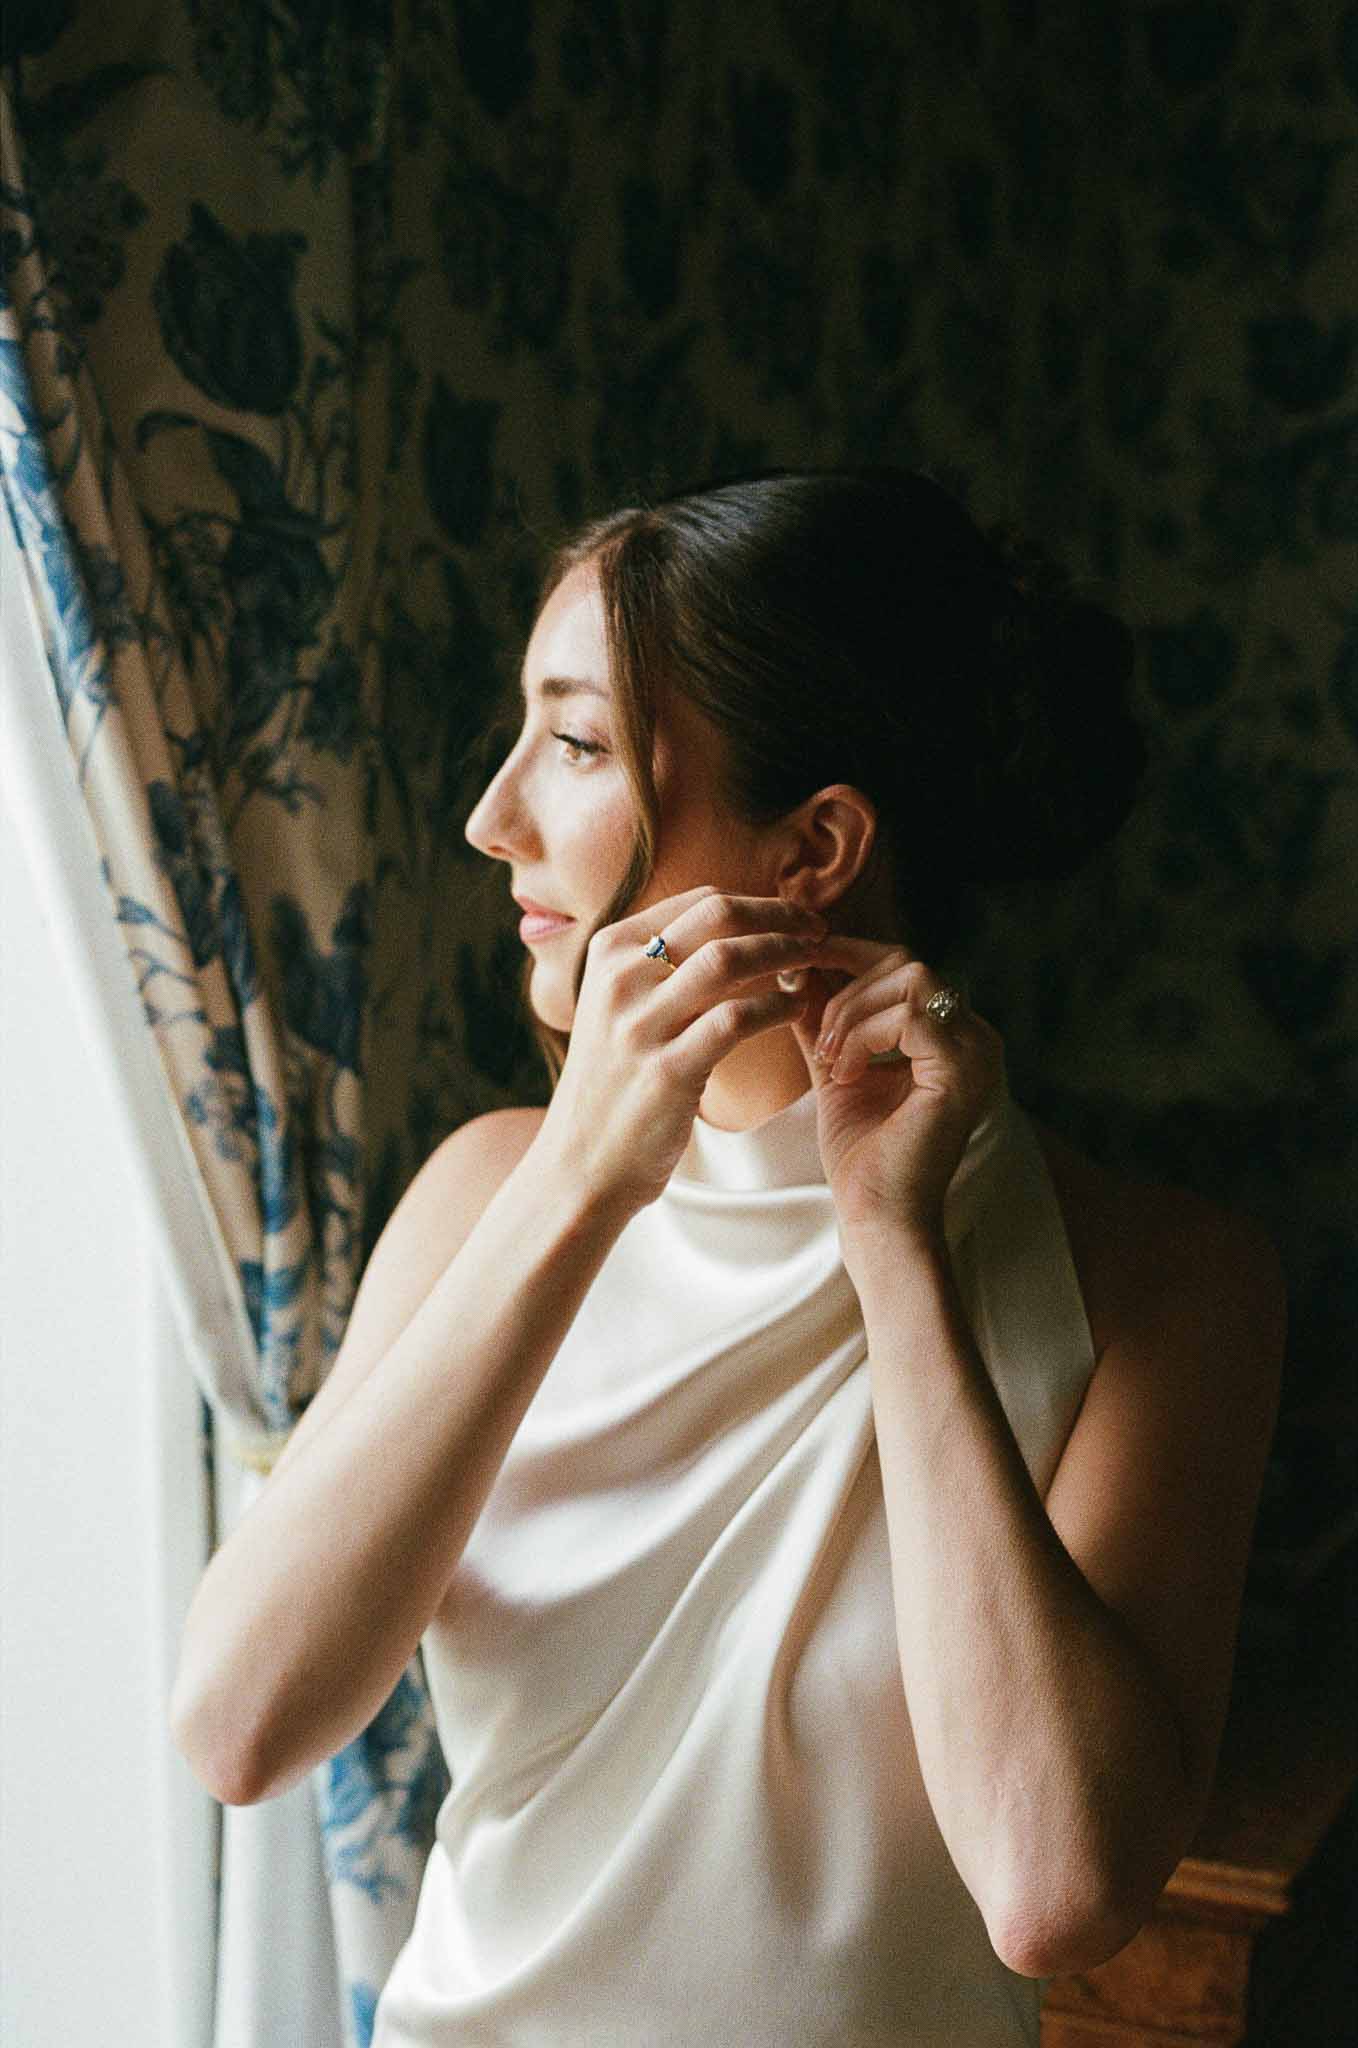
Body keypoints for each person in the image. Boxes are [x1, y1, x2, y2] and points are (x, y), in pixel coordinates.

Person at [171, 468, 1285, 2047]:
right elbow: (239, 1729)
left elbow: (1054, 1888)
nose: (490, 818)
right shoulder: (487, 1192)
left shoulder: (1163, 1284)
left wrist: (894, 1249)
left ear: (813, 846)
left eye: (573, 746)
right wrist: (579, 1178)